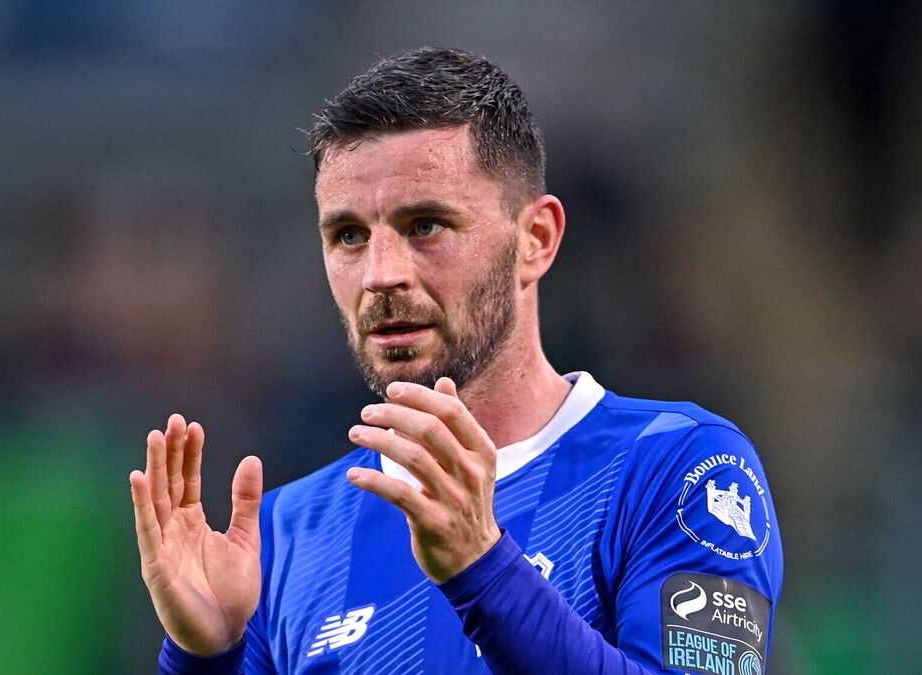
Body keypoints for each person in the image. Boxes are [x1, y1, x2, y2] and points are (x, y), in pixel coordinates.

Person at [129, 47, 783, 674]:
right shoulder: (282, 534)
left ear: (536, 239)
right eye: (349, 235)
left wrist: (484, 568)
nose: (380, 274)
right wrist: (203, 658)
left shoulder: (682, 469)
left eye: (426, 225)